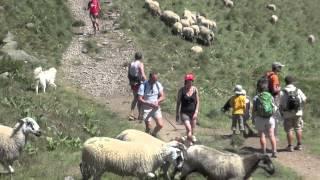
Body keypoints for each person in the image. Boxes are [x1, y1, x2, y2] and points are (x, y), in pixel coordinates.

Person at [279, 76, 307, 152]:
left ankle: (290, 146)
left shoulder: (282, 92)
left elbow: (279, 103)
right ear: (293, 82)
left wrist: (281, 111)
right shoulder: (298, 90)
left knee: (289, 129)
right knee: (298, 128)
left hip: (287, 113)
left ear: (286, 82)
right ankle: (299, 145)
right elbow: (305, 99)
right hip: (298, 112)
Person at [252, 82, 277, 158]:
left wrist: (253, 118)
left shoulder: (256, 97)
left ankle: (264, 152)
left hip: (260, 118)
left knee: (262, 135)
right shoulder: (270, 96)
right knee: (271, 135)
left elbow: (254, 110)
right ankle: (274, 152)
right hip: (270, 118)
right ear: (266, 89)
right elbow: (274, 107)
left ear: (258, 89)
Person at [138, 71, 165, 137]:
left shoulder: (158, 84)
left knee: (160, 125)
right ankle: (146, 138)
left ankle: (153, 134)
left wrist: (157, 101)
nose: (155, 81)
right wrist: (149, 104)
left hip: (155, 108)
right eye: (153, 79)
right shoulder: (143, 85)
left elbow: (163, 96)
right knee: (148, 127)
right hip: (146, 108)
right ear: (150, 78)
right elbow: (139, 99)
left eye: (156, 79)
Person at [176, 73, 200, 145]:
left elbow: (198, 101)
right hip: (184, 113)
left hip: (193, 113)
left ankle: (188, 142)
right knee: (189, 129)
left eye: (191, 81)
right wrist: (177, 113)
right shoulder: (181, 90)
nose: (190, 83)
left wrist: (196, 111)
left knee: (192, 130)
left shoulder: (195, 89)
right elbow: (178, 103)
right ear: (185, 82)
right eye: (188, 81)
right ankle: (189, 142)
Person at [128, 52, 147, 121]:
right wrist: (147, 82)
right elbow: (142, 73)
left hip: (133, 83)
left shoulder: (131, 64)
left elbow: (128, 74)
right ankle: (140, 115)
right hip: (139, 84)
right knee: (140, 99)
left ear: (135, 57)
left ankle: (132, 113)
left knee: (135, 98)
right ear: (141, 57)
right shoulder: (140, 64)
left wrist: (130, 82)